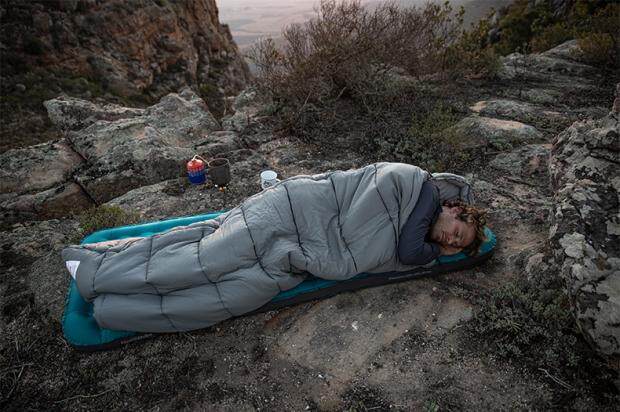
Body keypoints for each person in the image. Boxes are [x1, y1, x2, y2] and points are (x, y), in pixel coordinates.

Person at [398, 180, 487, 266]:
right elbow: (409, 254)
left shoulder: (422, 239)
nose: (449, 241)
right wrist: (440, 250)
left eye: (453, 244)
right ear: (456, 211)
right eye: (456, 233)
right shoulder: (429, 193)